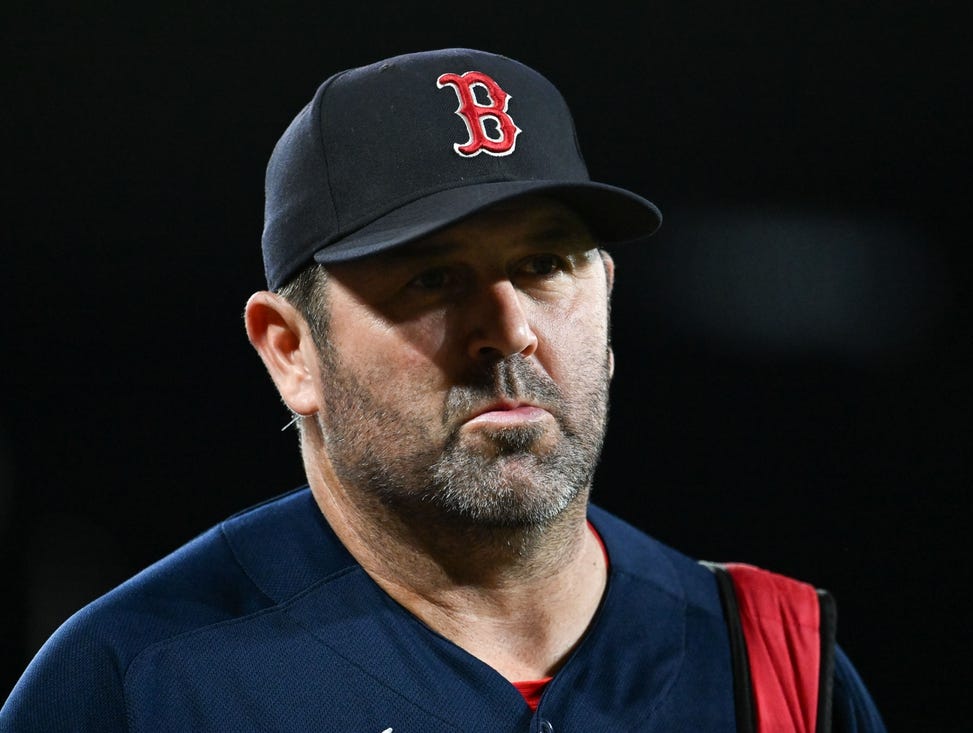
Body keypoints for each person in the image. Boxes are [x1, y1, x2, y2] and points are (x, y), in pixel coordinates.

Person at [1, 48, 886, 732]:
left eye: (544, 265)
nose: (508, 328)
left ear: (607, 297)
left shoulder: (774, 663)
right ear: (290, 351)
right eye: (430, 279)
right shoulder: (136, 680)